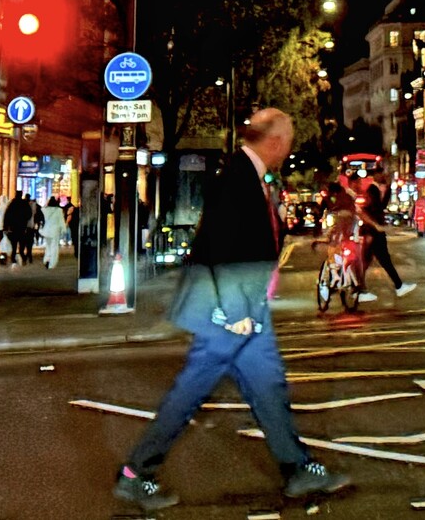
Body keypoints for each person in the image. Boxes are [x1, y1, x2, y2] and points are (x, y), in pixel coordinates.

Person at [113, 108, 350, 511]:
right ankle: (136, 473)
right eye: (289, 138)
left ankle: (297, 469)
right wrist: (237, 310)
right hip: (229, 309)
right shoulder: (238, 176)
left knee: (267, 386)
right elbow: (223, 244)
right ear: (274, 141)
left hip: (243, 305)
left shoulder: (247, 174)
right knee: (191, 390)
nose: (290, 146)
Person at [358, 172, 415, 303]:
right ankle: (361, 290)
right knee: (372, 261)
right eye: (383, 175)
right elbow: (367, 210)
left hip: (375, 231)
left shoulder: (378, 190)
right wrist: (376, 226)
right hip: (372, 231)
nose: (385, 177)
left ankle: (398, 286)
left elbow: (381, 207)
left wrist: (387, 190)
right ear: (376, 176)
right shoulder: (372, 191)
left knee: (379, 260)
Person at [3, 193, 31, 268]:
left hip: (13, 228)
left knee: (14, 245)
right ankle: (23, 257)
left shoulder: (12, 205)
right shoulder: (24, 204)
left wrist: (5, 227)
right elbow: (29, 214)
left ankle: (13, 259)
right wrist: (24, 220)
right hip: (22, 227)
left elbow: (7, 216)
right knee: (22, 245)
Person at [41, 196, 66, 268]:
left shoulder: (44, 210)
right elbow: (61, 221)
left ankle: (46, 259)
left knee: (48, 246)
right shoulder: (59, 210)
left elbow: (42, 209)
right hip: (55, 231)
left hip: (46, 231)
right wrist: (63, 230)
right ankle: (52, 263)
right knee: (54, 247)